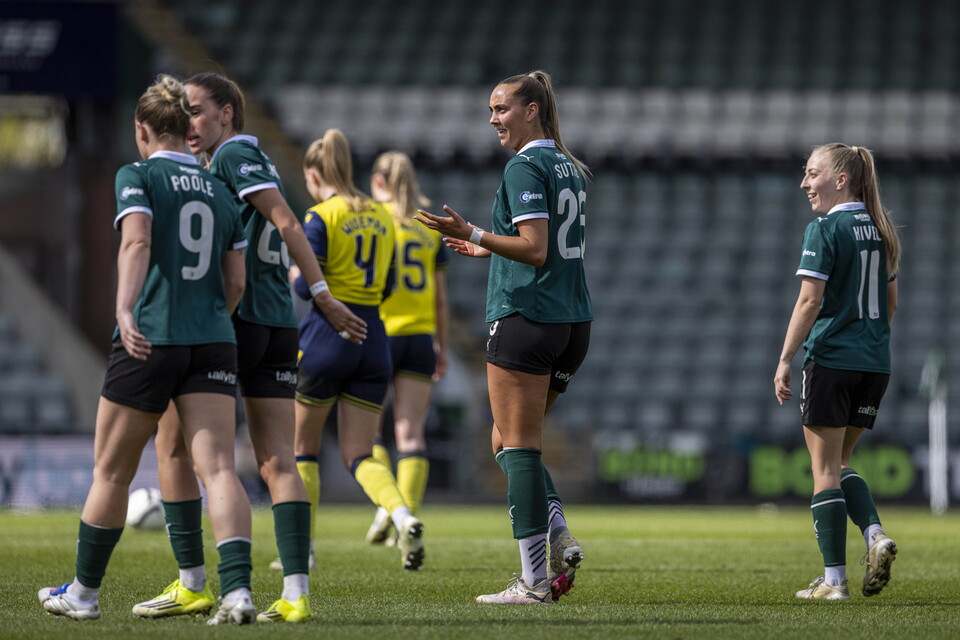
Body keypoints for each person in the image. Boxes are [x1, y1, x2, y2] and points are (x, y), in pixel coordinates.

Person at [133, 72, 364, 624]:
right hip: (277, 324)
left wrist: (325, 297)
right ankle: (295, 593)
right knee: (276, 459)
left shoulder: (234, 158)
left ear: (227, 115)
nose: (187, 123)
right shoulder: (232, 162)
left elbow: (285, 220)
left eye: (195, 111)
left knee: (175, 448)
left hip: (234, 322)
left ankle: (194, 582)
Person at [38, 75, 256, 625]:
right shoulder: (220, 188)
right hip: (212, 340)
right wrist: (213, 325)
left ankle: (83, 595)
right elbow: (236, 281)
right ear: (188, 127)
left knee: (111, 472)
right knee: (220, 469)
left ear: (141, 129)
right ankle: (237, 594)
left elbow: (136, 239)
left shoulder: (137, 174)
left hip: (151, 338)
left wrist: (124, 309)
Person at [416, 70, 592, 605]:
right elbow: (546, 246)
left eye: (501, 109)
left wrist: (468, 232)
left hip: (525, 317)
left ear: (532, 109)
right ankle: (556, 526)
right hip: (571, 321)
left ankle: (535, 581)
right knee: (505, 440)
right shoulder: (571, 166)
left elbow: (536, 248)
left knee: (516, 446)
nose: (492, 118)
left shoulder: (524, 165)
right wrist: (490, 246)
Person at [291, 130, 426, 572]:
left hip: (327, 336)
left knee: (303, 451)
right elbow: (387, 284)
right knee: (361, 452)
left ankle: (303, 550)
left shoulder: (319, 216)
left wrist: (295, 269)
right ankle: (403, 515)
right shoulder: (383, 216)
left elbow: (305, 285)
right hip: (374, 339)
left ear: (314, 175)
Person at [774, 143, 901, 600]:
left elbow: (809, 301)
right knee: (841, 463)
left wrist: (785, 358)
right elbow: (891, 305)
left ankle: (834, 582)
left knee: (824, 471)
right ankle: (875, 536)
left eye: (812, 173)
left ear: (840, 179)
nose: (805, 183)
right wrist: (867, 343)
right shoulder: (881, 231)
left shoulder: (824, 228)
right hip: (874, 364)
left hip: (831, 359)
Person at [363, 151, 449, 547]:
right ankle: (407, 518)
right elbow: (440, 299)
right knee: (411, 434)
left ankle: (389, 506)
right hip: (420, 337)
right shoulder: (427, 227)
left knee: (368, 433)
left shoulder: (371, 220)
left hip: (378, 332)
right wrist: (441, 346)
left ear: (378, 181)